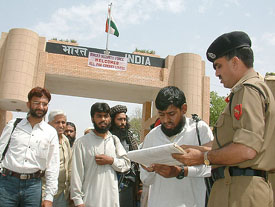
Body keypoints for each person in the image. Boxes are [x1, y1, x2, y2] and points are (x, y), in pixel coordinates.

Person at [172, 31, 275, 207]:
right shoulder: (251, 89)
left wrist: (202, 157)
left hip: (240, 191)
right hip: (237, 188)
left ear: (235, 62)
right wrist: (193, 149)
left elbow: (246, 149)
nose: (217, 73)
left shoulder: (248, 90)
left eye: (219, 66)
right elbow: (232, 141)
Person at [140, 86, 213, 207]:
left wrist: (181, 171)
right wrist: (150, 170)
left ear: (184, 109)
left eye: (171, 114)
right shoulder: (152, 136)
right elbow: (146, 180)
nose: (165, 120)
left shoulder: (199, 129)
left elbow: (211, 168)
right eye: (161, 115)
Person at [0, 87, 59, 207]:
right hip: (7, 185)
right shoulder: (14, 125)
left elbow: (53, 165)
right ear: (28, 104)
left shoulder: (50, 132)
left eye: (44, 104)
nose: (40, 107)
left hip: (33, 187)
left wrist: (49, 197)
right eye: (36, 103)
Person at [70, 102, 131, 207]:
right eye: (99, 116)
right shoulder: (82, 143)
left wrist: (111, 160)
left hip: (111, 200)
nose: (103, 119)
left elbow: (126, 164)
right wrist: (78, 201)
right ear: (92, 118)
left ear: (110, 119)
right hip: (89, 200)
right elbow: (76, 174)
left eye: (106, 116)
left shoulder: (114, 140)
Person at [110, 105, 140, 207]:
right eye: (119, 119)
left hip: (129, 183)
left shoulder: (129, 137)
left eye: (124, 119)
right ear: (113, 120)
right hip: (112, 183)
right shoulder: (108, 138)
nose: (123, 122)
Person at [45, 110, 72, 207]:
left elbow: (69, 166)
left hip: (62, 192)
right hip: (45, 192)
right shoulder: (44, 140)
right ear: (49, 124)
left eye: (63, 122)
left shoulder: (65, 140)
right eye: (57, 122)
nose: (61, 125)